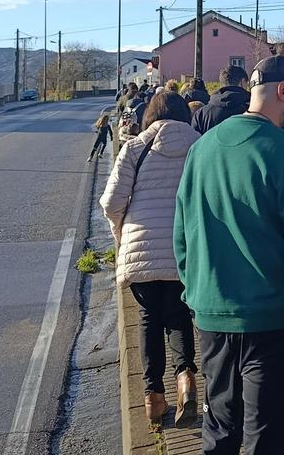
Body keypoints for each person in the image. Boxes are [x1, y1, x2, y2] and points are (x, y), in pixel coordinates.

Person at [174, 55, 284, 455]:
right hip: (274, 324)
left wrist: (197, 296)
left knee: (220, 436)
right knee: (266, 441)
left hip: (212, 318)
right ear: (283, 90)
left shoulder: (201, 149)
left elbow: (182, 237)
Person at [100, 91, 202, 427]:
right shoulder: (200, 146)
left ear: (150, 116)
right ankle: (185, 378)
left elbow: (111, 202)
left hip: (140, 246)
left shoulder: (135, 147)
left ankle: (153, 400)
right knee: (179, 314)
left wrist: (123, 230)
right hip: (185, 247)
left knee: (148, 319)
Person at [192, 65, 251, 134]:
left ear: (221, 83)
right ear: (242, 82)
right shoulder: (253, 108)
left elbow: (195, 139)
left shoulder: (201, 114)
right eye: (247, 84)